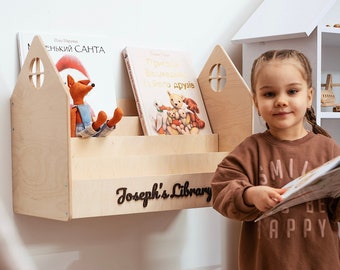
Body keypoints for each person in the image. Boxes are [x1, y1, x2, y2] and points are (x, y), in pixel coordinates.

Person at [211, 49, 340, 270]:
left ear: (309, 96)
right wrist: (250, 195)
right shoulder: (250, 150)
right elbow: (221, 190)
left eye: (292, 91)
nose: (281, 101)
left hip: (321, 263)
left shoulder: (327, 149)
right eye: (269, 94)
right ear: (256, 102)